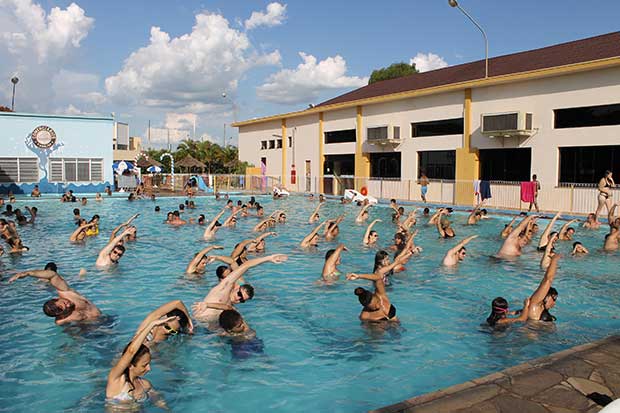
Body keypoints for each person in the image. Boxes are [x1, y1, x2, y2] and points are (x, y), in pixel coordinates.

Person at [192, 254, 288, 324]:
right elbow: (245, 265)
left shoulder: (231, 308)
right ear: (236, 288)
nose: (238, 299)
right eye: (239, 294)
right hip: (194, 324)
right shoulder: (223, 288)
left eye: (242, 300)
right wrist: (268, 258)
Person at [106, 316, 175, 405]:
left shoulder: (145, 385)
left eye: (149, 364)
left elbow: (160, 403)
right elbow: (131, 351)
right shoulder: (116, 380)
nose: (149, 368)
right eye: (144, 365)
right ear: (130, 365)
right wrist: (152, 324)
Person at [9, 263, 101, 325]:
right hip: (91, 332)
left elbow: (52, 275)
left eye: (64, 302)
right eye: (65, 309)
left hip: (105, 320)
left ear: (56, 299)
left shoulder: (67, 293)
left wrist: (28, 273)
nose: (68, 305)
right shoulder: (62, 320)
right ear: (61, 314)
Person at [345, 252, 410, 322]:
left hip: (396, 323)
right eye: (373, 307)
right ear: (365, 306)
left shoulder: (381, 294)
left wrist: (359, 276)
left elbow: (377, 277)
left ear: (374, 296)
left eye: (376, 303)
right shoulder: (365, 316)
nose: (377, 306)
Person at [526, 254, 561, 322]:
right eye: (553, 299)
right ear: (545, 296)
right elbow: (548, 280)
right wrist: (554, 260)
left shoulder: (542, 309)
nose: (554, 303)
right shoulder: (534, 305)